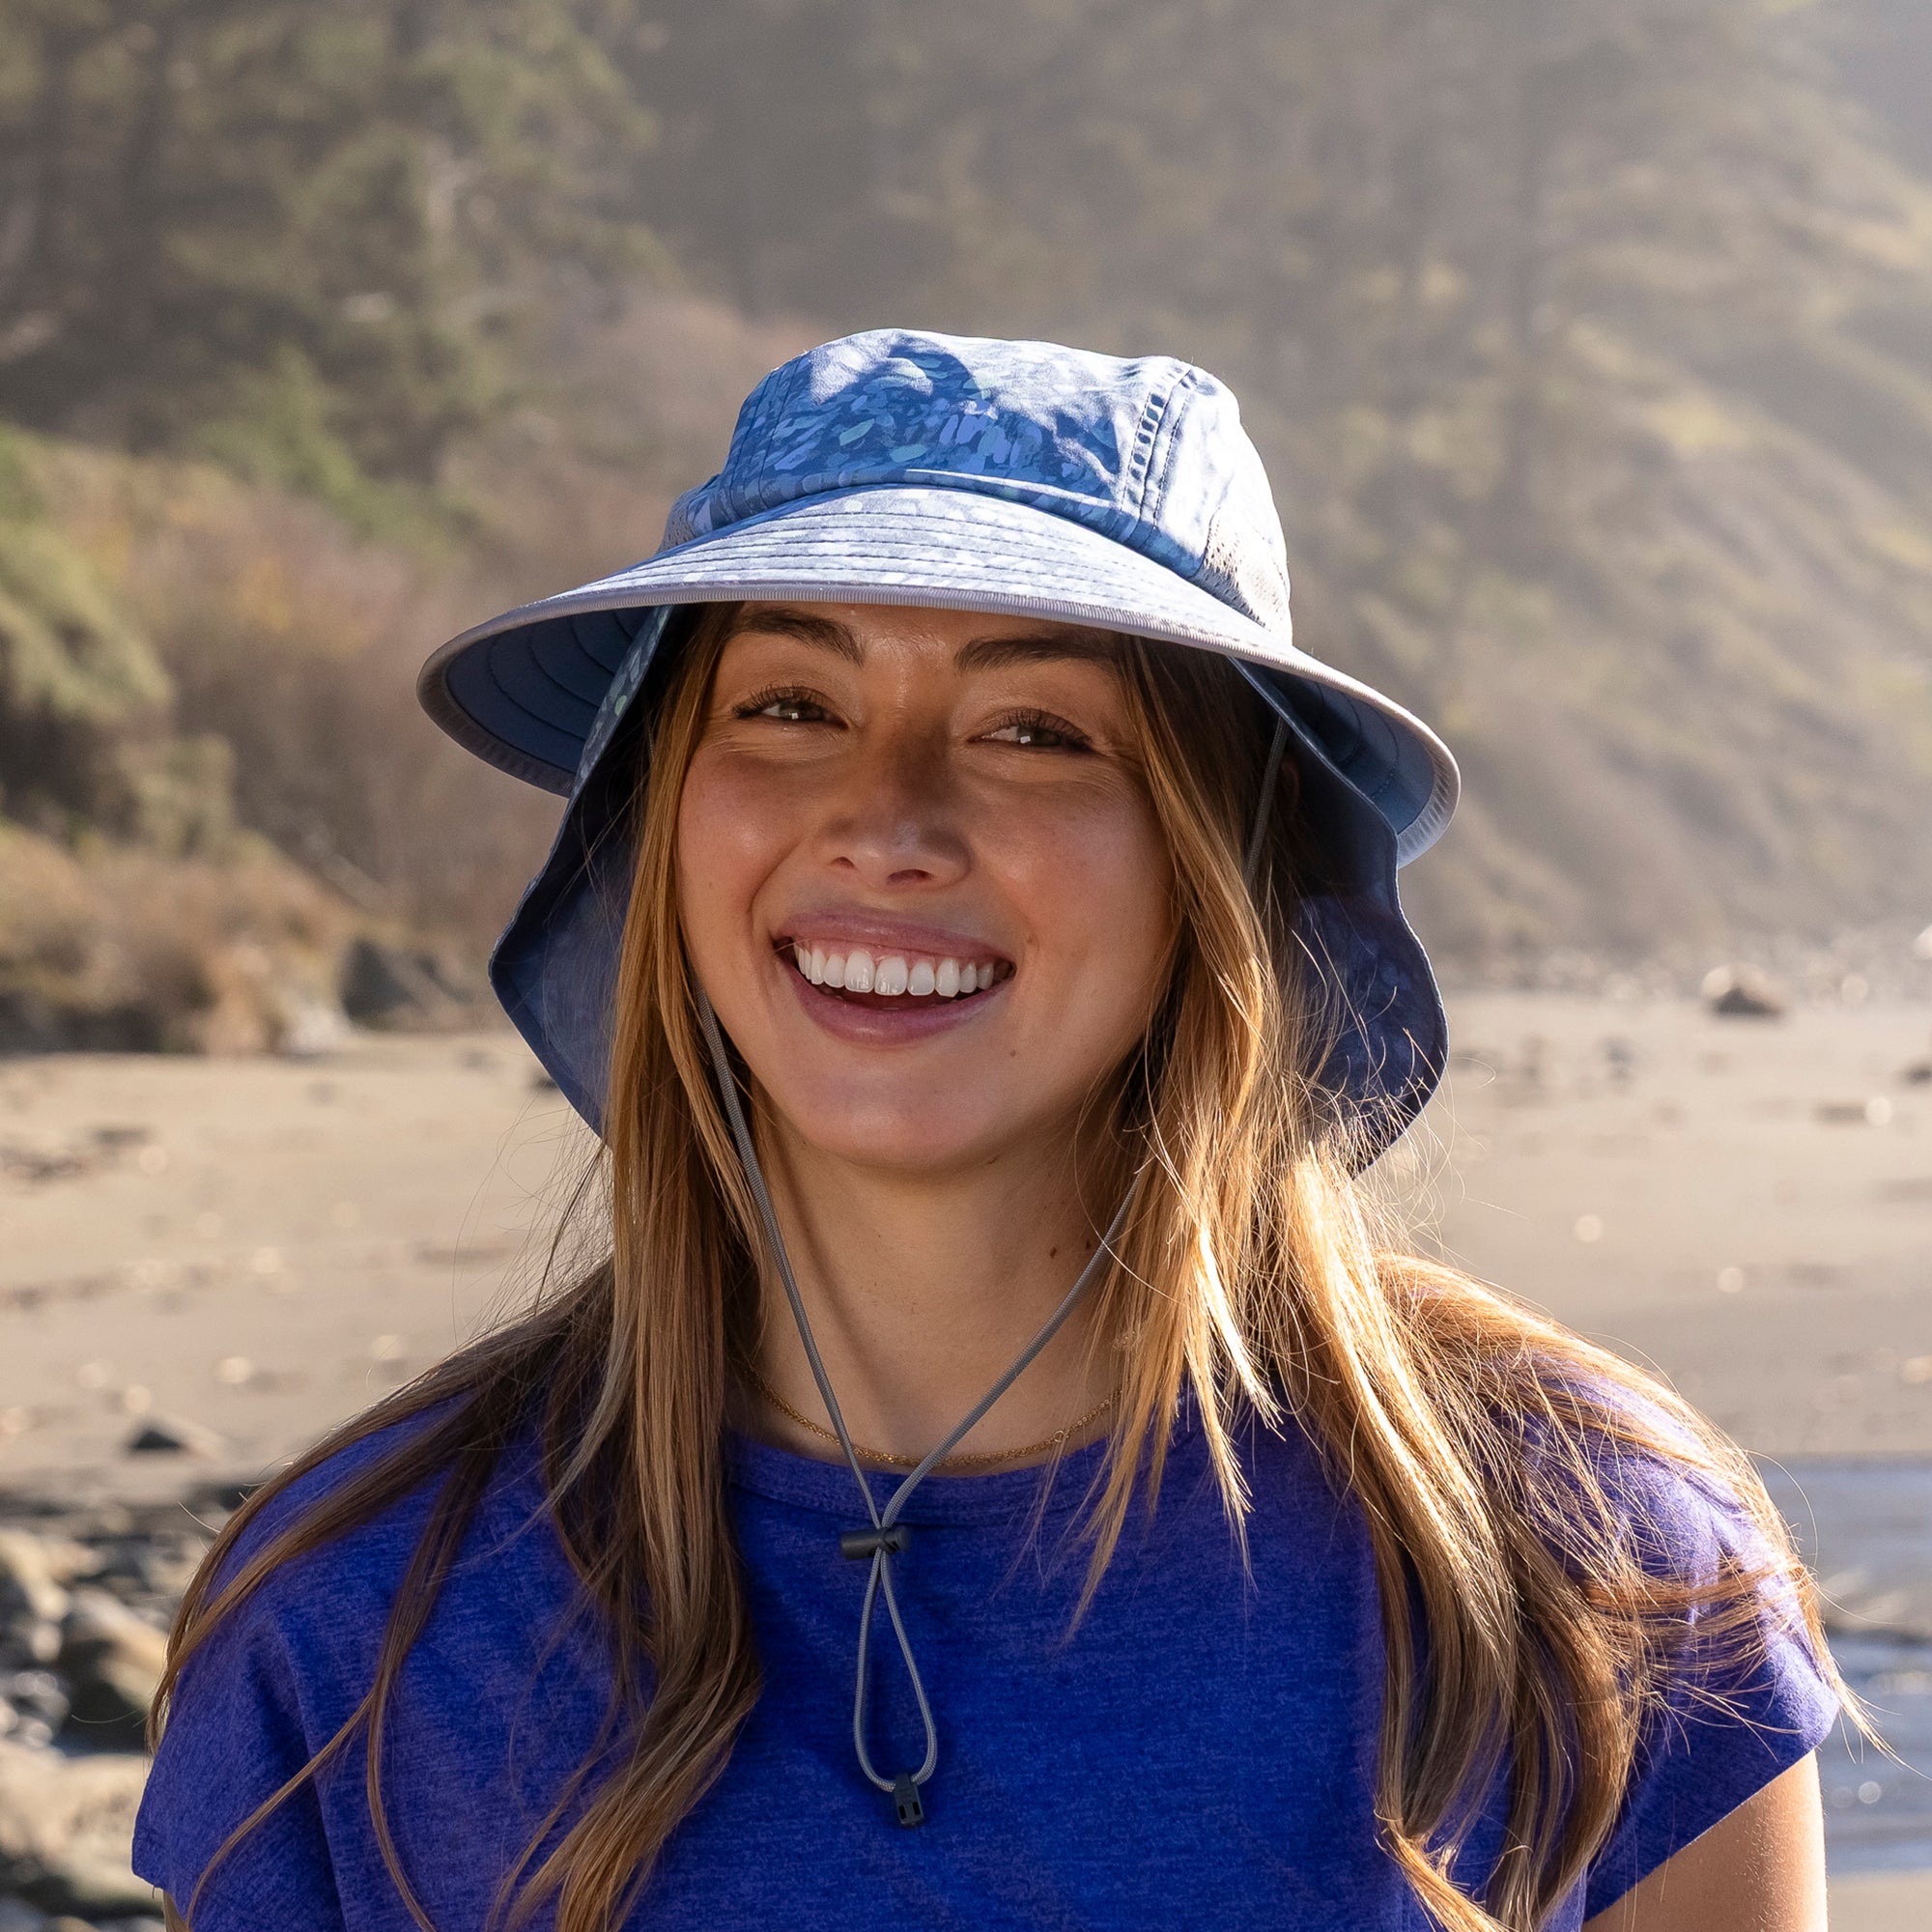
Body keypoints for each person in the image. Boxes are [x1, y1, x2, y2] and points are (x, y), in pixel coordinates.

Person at [135, 330, 1843, 1932]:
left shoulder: (1593, 1573)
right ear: (659, 821)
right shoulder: (357, 1627)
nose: (885, 823)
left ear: (1222, 863)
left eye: (1036, 730)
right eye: (788, 707)